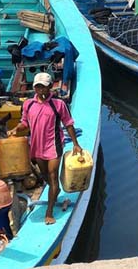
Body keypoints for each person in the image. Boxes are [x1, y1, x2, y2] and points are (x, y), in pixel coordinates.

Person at [8, 72, 82, 225]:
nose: (40, 90)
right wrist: (16, 128)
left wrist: (75, 143)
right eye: (38, 87)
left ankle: (49, 212)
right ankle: (55, 190)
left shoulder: (58, 104)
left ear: (49, 87)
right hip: (37, 146)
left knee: (53, 175)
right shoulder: (28, 104)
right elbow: (25, 123)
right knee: (45, 176)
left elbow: (68, 124)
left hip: (54, 145)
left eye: (44, 87)